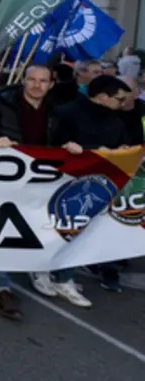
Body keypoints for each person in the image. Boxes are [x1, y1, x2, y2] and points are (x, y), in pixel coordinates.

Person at [0, 64, 78, 313]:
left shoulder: (56, 110)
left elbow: (60, 139)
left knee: (33, 228)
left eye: (43, 81)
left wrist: (70, 146)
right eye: (32, 80)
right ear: (23, 80)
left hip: (41, 179)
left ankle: (30, 271)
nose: (37, 85)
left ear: (51, 84)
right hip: (5, 177)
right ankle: (1, 286)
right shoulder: (2, 103)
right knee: (4, 228)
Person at [51, 74, 137, 294]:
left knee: (87, 233)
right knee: (64, 231)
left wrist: (124, 151)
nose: (123, 104)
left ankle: (68, 275)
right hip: (64, 185)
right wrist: (94, 150)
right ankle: (59, 276)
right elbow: (53, 147)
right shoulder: (67, 113)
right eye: (119, 99)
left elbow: (120, 145)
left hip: (102, 187)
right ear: (102, 96)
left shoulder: (116, 121)